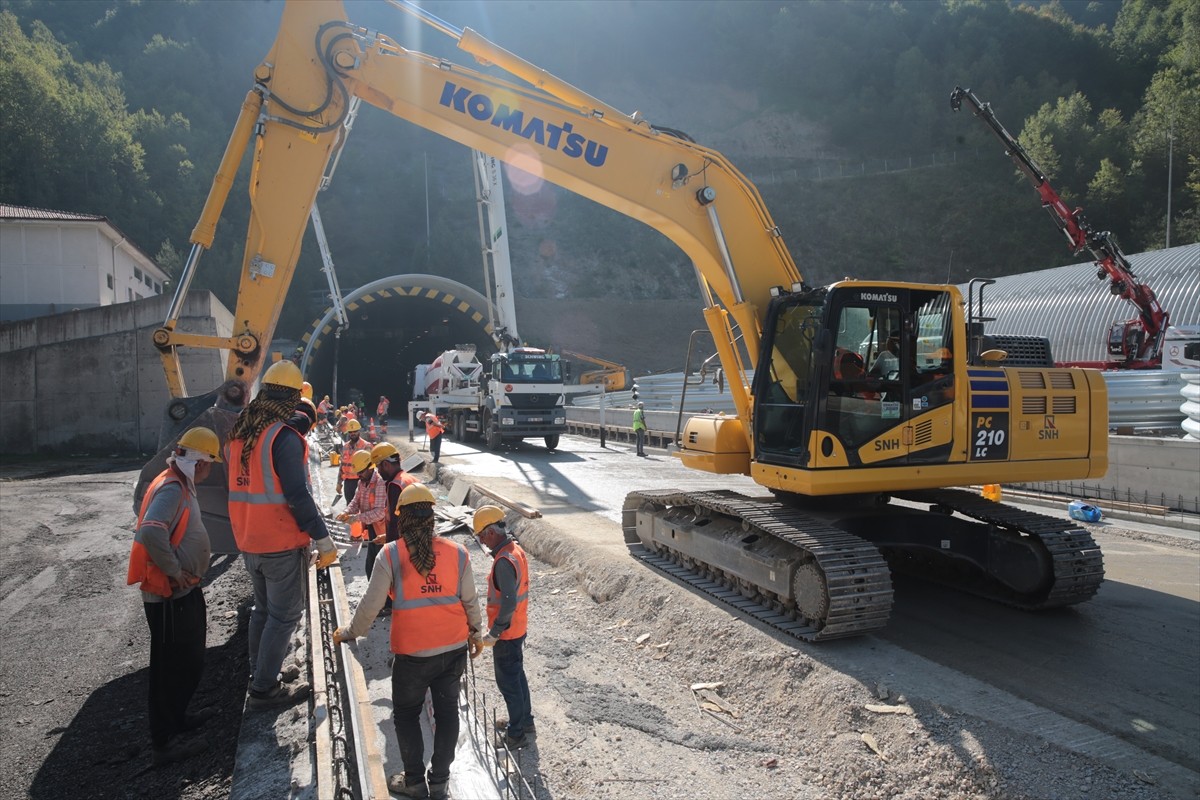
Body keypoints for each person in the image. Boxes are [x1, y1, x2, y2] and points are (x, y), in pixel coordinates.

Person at [333, 483, 483, 800]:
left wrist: (351, 631)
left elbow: (371, 606)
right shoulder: (457, 553)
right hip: (453, 650)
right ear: (432, 519)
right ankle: (440, 781)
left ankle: (415, 781)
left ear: (401, 519)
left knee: (405, 714)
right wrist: (476, 633)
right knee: (447, 714)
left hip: (413, 656)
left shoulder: (391, 553)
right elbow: (470, 601)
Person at [226, 360, 338, 710]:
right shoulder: (283, 438)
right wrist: (322, 538)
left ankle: (261, 673)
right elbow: (298, 495)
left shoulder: (241, 434)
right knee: (284, 616)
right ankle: (263, 690)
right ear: (292, 398)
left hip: (249, 540)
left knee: (263, 611)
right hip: (279, 542)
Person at [128, 426, 222, 766]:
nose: (211, 468)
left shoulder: (178, 482)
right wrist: (173, 570)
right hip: (169, 594)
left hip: (183, 591)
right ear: (198, 462)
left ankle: (178, 719)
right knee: (169, 668)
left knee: (189, 660)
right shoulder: (171, 487)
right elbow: (151, 530)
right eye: (209, 462)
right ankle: (163, 742)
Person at [472, 505, 535, 750]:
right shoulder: (514, 550)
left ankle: (516, 734)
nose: (481, 541)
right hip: (518, 628)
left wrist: (494, 633)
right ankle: (525, 721)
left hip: (507, 634)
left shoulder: (503, 561)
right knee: (517, 677)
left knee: (509, 683)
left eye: (480, 535)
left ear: (490, 532)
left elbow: (507, 602)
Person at [339, 450, 384, 545]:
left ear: (370, 468)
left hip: (382, 531)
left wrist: (356, 518)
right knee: (371, 558)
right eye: (357, 473)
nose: (358, 475)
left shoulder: (380, 482)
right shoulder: (362, 482)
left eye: (361, 472)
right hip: (370, 527)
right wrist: (346, 512)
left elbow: (380, 512)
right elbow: (356, 501)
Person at [338, 418, 371, 508]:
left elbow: (370, 467)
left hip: (361, 481)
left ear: (359, 431)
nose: (353, 433)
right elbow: (342, 466)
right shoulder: (345, 447)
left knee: (363, 506)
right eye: (351, 432)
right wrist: (339, 483)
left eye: (355, 431)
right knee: (350, 507)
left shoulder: (366, 446)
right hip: (348, 483)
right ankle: (351, 522)